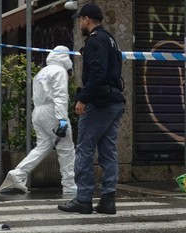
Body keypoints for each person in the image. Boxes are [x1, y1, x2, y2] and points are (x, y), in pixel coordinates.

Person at [58, 3, 125, 214]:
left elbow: (97, 73)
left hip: (100, 103)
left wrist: (83, 98)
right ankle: (108, 199)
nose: (79, 23)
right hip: (114, 101)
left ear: (86, 19)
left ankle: (84, 199)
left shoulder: (96, 40)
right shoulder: (111, 40)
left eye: (80, 19)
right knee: (108, 151)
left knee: (85, 149)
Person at [0, 46, 76, 194]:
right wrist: (62, 119)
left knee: (43, 147)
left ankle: (17, 174)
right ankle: (69, 185)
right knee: (66, 148)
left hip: (38, 112)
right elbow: (60, 95)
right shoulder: (59, 71)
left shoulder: (42, 72)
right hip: (52, 111)